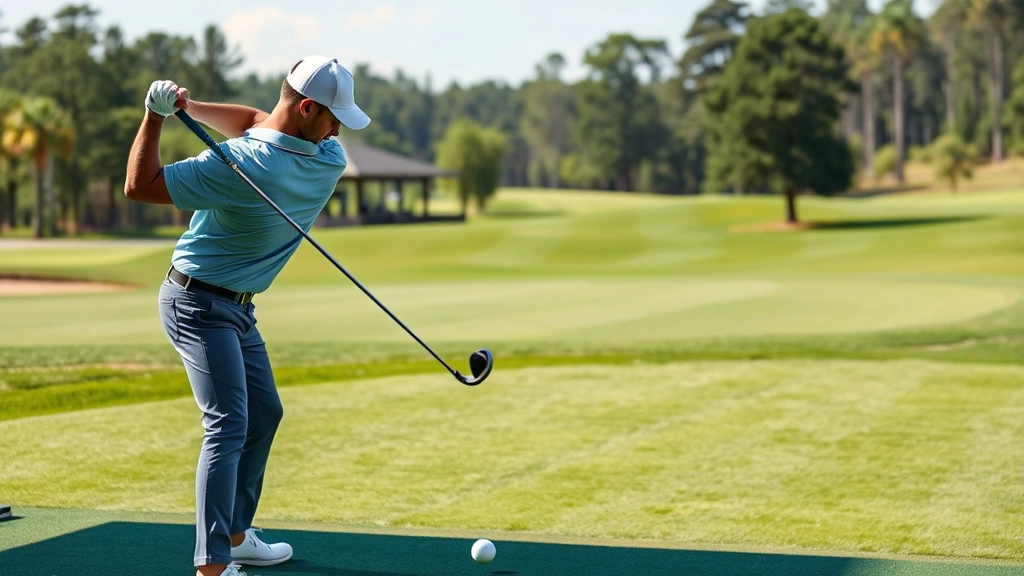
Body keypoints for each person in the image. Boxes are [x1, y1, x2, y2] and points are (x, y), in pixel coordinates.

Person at [124, 56, 370, 576]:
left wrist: (167, 114)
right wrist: (162, 115)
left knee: (265, 414)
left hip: (236, 308)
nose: (337, 131)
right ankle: (212, 565)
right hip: (195, 303)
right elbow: (137, 189)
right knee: (228, 423)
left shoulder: (249, 162)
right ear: (306, 108)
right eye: (333, 117)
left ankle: (235, 534)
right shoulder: (282, 161)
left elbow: (260, 122)